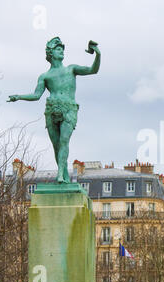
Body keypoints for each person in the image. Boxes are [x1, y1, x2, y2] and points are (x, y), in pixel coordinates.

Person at [8, 37, 101, 183]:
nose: (62, 51)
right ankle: (64, 176)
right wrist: (19, 97)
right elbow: (36, 95)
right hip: (51, 110)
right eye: (58, 49)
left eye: (62, 49)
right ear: (51, 53)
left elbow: (92, 70)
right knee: (56, 146)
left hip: (68, 109)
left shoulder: (71, 69)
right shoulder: (45, 76)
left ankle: (60, 175)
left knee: (64, 141)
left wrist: (98, 54)